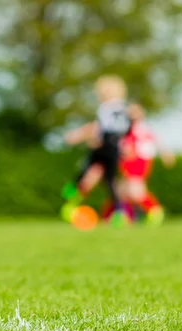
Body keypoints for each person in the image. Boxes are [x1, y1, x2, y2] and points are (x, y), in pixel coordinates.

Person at [61, 75, 132, 226]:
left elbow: (99, 126)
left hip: (104, 145)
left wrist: (80, 136)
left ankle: (71, 194)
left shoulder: (106, 107)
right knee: (110, 180)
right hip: (115, 147)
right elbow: (125, 130)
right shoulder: (124, 108)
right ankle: (120, 213)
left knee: (88, 170)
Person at [101, 104, 175, 225]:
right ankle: (118, 217)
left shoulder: (142, 129)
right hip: (127, 163)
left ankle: (155, 211)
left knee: (136, 191)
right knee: (121, 192)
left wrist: (166, 154)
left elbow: (155, 141)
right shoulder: (124, 129)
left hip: (138, 162)